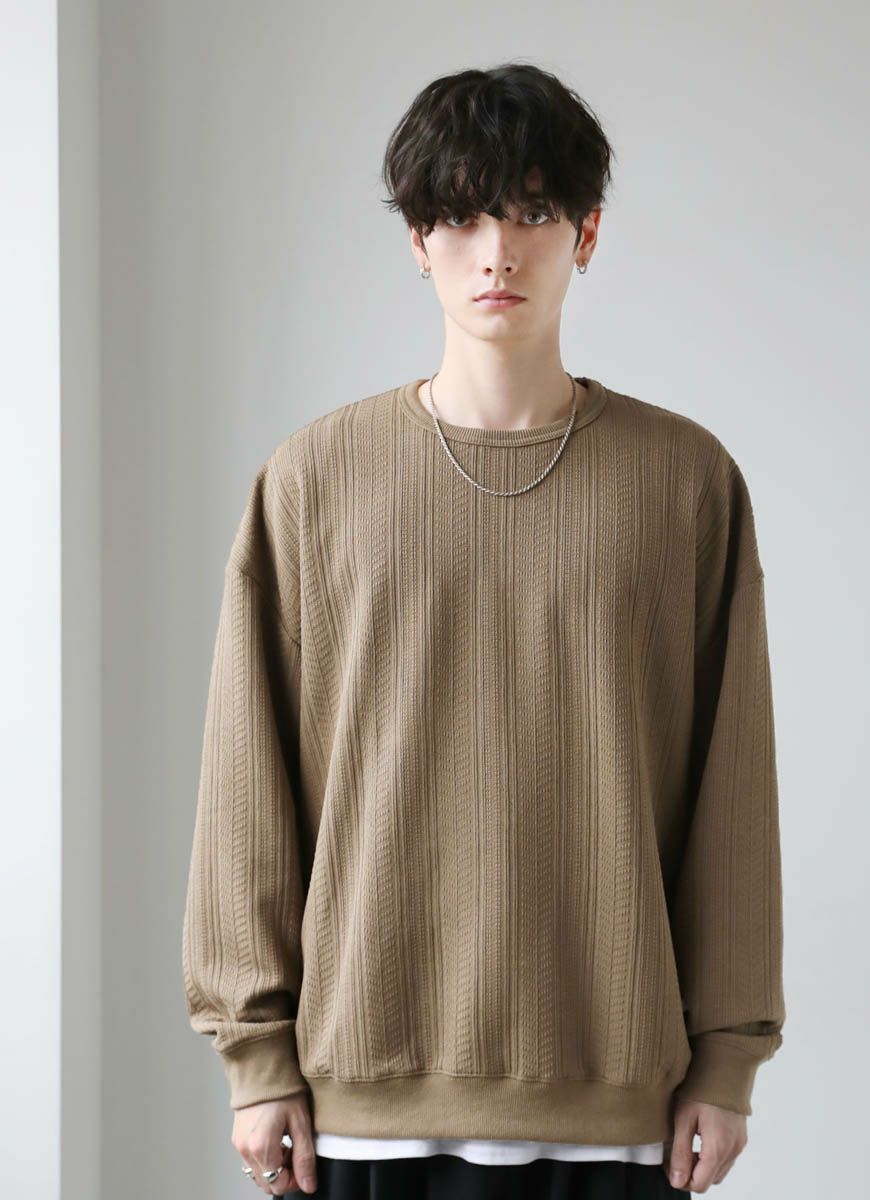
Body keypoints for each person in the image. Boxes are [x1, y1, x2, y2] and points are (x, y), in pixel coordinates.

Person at [181, 61, 786, 1199]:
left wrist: (728, 1057)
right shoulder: (315, 481)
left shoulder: (685, 483)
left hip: (617, 1103)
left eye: (532, 213)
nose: (496, 253)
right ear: (418, 240)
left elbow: (732, 792)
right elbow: (247, 781)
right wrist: (255, 1056)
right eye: (461, 218)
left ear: (586, 233)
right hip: (363, 1101)